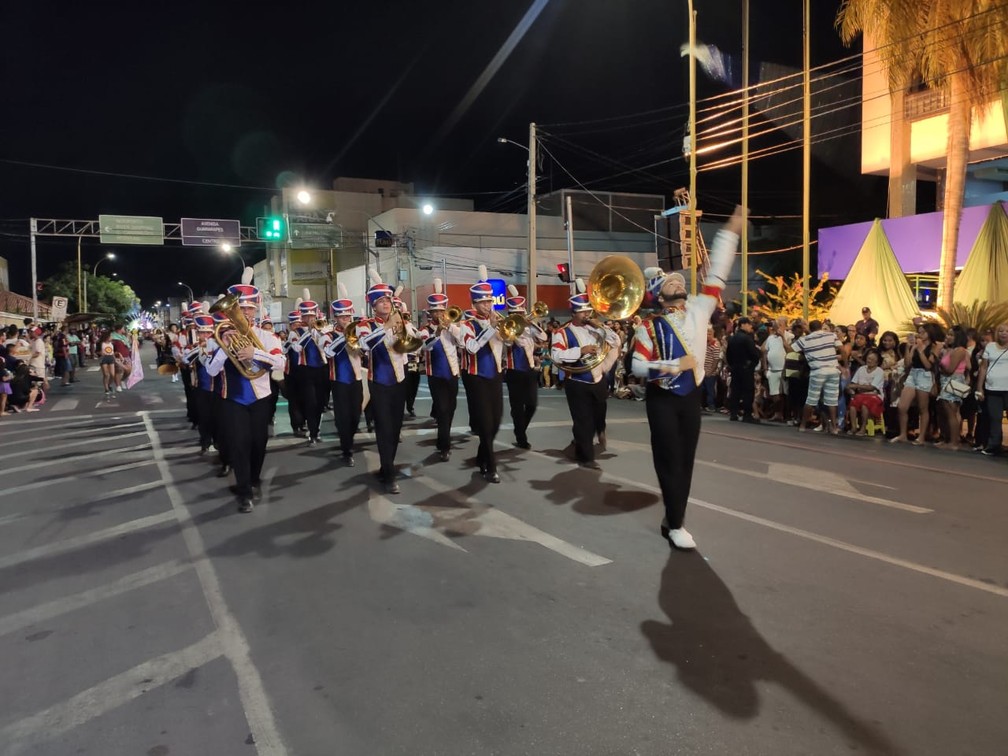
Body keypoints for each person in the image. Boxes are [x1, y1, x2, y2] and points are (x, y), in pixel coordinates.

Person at [632, 206, 743, 550]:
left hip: (690, 397)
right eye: (670, 282)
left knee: (686, 459)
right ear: (659, 295)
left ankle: (673, 517)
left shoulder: (699, 308)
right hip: (662, 399)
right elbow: (637, 367)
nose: (678, 279)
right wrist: (670, 366)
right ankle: (676, 522)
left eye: (678, 279)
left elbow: (718, 273)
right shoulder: (648, 326)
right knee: (668, 457)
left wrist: (731, 230)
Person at [204, 270, 285, 513]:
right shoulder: (216, 338)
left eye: (249, 308)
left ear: (256, 310)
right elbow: (210, 371)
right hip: (233, 399)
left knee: (258, 443)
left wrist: (255, 353)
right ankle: (244, 491)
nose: (244, 313)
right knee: (239, 443)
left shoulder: (267, 336)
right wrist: (223, 347)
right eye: (240, 307)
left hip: (261, 398)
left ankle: (254, 478)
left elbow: (280, 364)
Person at [358, 271, 422, 493]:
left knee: (395, 428)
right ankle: (388, 472)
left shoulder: (400, 321)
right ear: (374, 306)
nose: (386, 304)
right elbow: (364, 345)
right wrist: (387, 328)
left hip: (400, 380)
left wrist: (406, 328)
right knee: (384, 428)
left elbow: (416, 344)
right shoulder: (365, 325)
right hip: (379, 382)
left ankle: (387, 467)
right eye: (381, 301)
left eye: (388, 300)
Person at [551, 279, 621, 470]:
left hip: (597, 379)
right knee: (583, 419)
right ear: (573, 313)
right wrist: (580, 351)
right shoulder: (562, 333)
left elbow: (615, 342)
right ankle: (586, 457)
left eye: (588, 311)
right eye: (582, 312)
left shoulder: (595, 329)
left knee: (599, 414)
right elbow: (556, 355)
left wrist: (603, 327)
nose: (587, 315)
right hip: (577, 381)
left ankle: (587, 438)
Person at [460, 266, 509, 483]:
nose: (487, 306)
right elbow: (471, 347)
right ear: (474, 304)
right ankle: (491, 466)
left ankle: (482, 455)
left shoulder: (497, 322)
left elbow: (508, 342)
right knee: (486, 422)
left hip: (495, 376)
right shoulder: (465, 325)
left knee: (497, 420)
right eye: (483, 302)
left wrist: (508, 332)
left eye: (489, 302)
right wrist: (490, 328)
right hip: (475, 377)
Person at [420, 279, 463, 462]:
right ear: (430, 313)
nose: (437, 314)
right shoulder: (425, 329)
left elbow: (462, 343)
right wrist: (436, 332)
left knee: (451, 408)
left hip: (452, 374)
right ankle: (444, 446)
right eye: (434, 311)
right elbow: (425, 347)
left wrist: (450, 327)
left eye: (440, 311)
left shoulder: (454, 327)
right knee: (443, 409)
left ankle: (442, 440)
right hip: (435, 375)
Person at [504, 285, 547, 449]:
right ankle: (521, 436)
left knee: (531, 405)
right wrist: (515, 329)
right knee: (517, 406)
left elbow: (543, 336)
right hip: (514, 371)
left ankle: (519, 427)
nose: (521, 316)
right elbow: (508, 342)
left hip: (529, 370)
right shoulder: (508, 328)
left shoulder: (529, 328)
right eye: (517, 314)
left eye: (522, 313)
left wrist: (532, 323)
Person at [324, 289, 364, 466]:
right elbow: (327, 351)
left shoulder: (359, 332)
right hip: (339, 380)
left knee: (355, 415)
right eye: (341, 317)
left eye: (348, 317)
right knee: (342, 416)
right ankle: (346, 449)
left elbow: (365, 351)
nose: (345, 320)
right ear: (336, 318)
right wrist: (344, 337)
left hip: (356, 379)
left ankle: (350, 438)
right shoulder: (328, 334)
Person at [288, 292, 329, 446]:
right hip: (305, 371)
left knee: (320, 403)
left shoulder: (323, 329)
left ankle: (316, 430)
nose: (310, 319)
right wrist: (309, 333)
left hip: (322, 369)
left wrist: (319, 332)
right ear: (302, 317)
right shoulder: (295, 332)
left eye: (312, 316)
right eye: (307, 316)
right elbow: (297, 348)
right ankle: (312, 433)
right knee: (310, 402)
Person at [891, 323, 943, 445]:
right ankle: (903, 434)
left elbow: (928, 365)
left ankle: (922, 437)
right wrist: (909, 348)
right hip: (913, 374)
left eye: (923, 332)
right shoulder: (915, 345)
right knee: (902, 406)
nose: (920, 335)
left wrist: (920, 351)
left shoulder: (935, 346)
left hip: (924, 375)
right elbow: (907, 364)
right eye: (919, 332)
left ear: (930, 333)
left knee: (923, 408)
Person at [795, 320, 843, 434]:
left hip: (818, 370)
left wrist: (782, 336)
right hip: (833, 369)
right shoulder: (831, 335)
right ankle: (834, 428)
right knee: (831, 400)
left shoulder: (805, 339)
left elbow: (789, 349)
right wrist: (844, 364)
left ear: (810, 328)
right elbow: (843, 351)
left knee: (811, 398)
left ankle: (803, 425)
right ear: (821, 327)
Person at [975, 321, 1008, 456]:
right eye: (1001, 331)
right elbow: (983, 367)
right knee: (995, 417)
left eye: (1006, 331)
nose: (1004, 333)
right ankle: (994, 445)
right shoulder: (990, 346)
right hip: (992, 388)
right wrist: (979, 388)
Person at [935, 325, 970, 450]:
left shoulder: (959, 350)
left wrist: (938, 361)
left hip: (953, 381)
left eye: (951, 335)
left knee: (951, 413)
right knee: (945, 412)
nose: (947, 337)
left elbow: (950, 369)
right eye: (947, 334)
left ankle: (954, 442)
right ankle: (947, 438)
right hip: (945, 381)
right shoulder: (949, 350)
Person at [726, 316, 761, 422]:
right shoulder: (747, 339)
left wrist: (732, 365)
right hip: (746, 368)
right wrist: (753, 363)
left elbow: (728, 354)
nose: (750, 326)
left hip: (735, 367)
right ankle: (747, 414)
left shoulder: (732, 338)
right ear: (743, 325)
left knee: (735, 390)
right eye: (749, 324)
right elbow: (754, 354)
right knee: (747, 391)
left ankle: (733, 413)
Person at [846, 349, 885, 435]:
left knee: (865, 404)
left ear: (877, 362)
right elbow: (853, 383)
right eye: (868, 358)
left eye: (872, 359)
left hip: (874, 396)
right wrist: (851, 389)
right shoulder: (861, 369)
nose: (869, 361)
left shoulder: (879, 371)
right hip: (861, 394)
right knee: (853, 403)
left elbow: (872, 387)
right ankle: (853, 427)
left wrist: (857, 386)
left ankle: (863, 428)